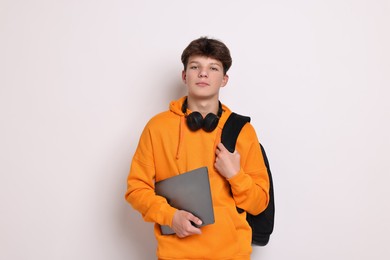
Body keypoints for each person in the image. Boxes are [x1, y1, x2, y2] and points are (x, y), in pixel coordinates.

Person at [125, 37, 270, 260]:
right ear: (185, 76)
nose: (203, 74)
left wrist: (235, 175)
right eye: (195, 67)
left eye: (213, 68)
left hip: (232, 255)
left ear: (224, 79)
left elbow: (259, 204)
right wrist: (170, 216)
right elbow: (136, 189)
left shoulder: (242, 131)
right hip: (175, 255)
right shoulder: (157, 128)